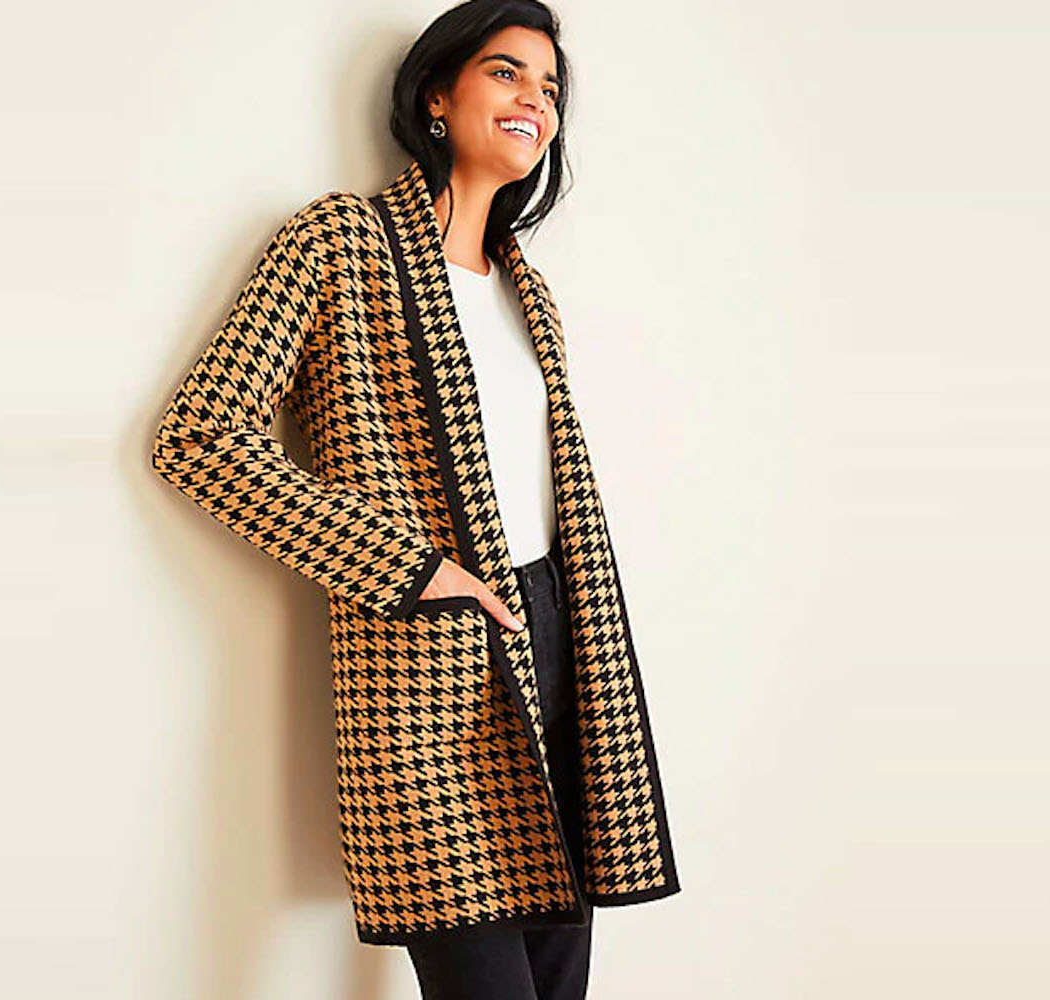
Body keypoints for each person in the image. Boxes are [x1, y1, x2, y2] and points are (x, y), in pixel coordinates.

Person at [150, 3, 680, 997]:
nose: (535, 101)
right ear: (437, 94)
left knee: (559, 984)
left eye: (550, 88)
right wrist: (407, 567)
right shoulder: (339, 241)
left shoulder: (529, 291)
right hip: (427, 664)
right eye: (507, 72)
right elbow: (201, 436)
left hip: (559, 640)